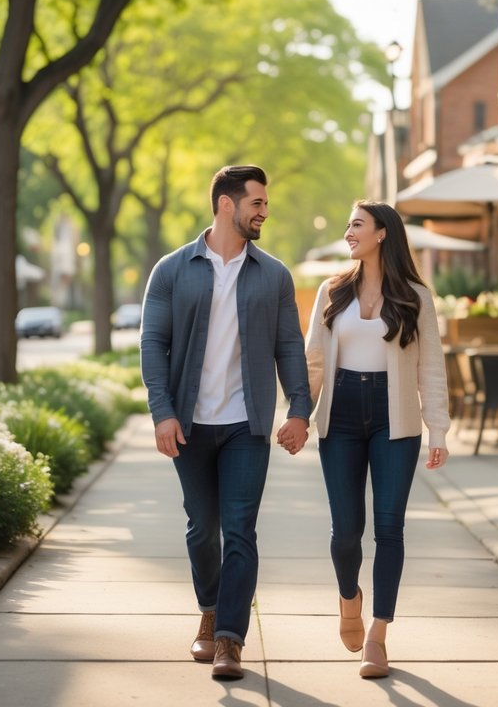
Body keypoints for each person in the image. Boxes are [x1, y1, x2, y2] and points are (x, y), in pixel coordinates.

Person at [141, 164, 311, 681]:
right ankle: (210, 610)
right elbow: (153, 343)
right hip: (190, 423)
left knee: (240, 530)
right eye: (256, 202)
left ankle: (229, 640)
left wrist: (300, 409)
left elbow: (288, 345)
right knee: (202, 528)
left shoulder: (275, 275)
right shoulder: (172, 269)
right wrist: (163, 412)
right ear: (226, 205)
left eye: (264, 203)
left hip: (246, 424)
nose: (264, 211)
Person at [296, 200, 450, 679]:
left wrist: (437, 428)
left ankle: (378, 637)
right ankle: (349, 600)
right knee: (345, 533)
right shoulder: (332, 291)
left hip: (394, 420)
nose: (349, 232)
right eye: (347, 225)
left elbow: (431, 368)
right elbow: (314, 362)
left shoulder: (416, 298)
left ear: (383, 233)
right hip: (339, 415)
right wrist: (298, 413)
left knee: (389, 528)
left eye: (357, 224)